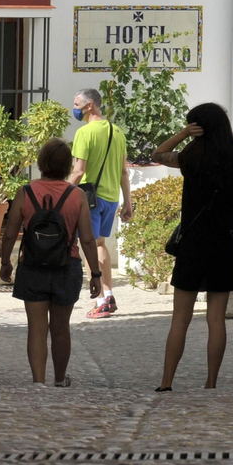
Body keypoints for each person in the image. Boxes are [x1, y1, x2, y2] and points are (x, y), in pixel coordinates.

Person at [150, 103, 233, 390]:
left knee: (180, 319)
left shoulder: (191, 154)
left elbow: (157, 154)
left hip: (194, 244)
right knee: (216, 319)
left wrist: (184, 133)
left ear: (198, 127)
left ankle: (166, 381)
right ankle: (211, 382)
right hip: (225, 244)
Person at [0, 137, 100, 387]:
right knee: (60, 328)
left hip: (32, 266)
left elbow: (10, 232)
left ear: (41, 162)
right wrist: (95, 274)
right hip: (66, 267)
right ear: (67, 165)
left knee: (36, 328)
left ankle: (38, 381)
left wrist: (5, 261)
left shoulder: (26, 192)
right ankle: (58, 379)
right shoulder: (76, 195)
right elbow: (87, 239)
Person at [68, 88, 132, 320]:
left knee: (89, 247)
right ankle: (109, 294)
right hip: (111, 198)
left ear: (90, 106)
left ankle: (100, 300)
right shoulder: (118, 132)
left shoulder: (85, 133)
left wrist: (61, 193)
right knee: (100, 244)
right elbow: (124, 172)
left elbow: (79, 171)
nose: (74, 108)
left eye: (77, 104)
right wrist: (128, 202)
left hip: (89, 199)